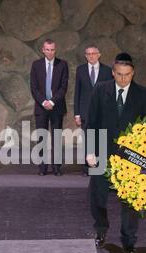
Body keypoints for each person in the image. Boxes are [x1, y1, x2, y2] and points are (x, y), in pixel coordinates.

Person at [86, 53, 146, 253]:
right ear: (113, 73)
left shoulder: (143, 94)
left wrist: (144, 156)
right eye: (120, 74)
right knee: (97, 196)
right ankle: (100, 230)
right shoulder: (100, 89)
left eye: (128, 75)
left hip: (131, 155)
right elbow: (92, 122)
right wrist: (90, 151)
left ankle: (129, 241)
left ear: (133, 73)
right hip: (102, 151)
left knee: (131, 201)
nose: (123, 79)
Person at [30, 39, 69, 176]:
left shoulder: (62, 65)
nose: (50, 52)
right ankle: (42, 167)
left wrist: (52, 102)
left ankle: (56, 167)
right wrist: (43, 102)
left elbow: (63, 87)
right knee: (42, 138)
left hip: (56, 107)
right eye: (47, 49)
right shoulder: (36, 65)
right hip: (41, 108)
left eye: (52, 49)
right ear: (43, 50)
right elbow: (34, 88)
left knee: (56, 138)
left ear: (55, 49)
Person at [74, 45, 113, 176]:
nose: (91, 56)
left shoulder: (107, 71)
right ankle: (87, 168)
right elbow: (77, 92)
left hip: (102, 111)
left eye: (93, 53)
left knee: (100, 139)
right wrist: (77, 113)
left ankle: (99, 166)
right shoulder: (80, 70)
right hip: (85, 112)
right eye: (88, 54)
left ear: (99, 55)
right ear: (85, 56)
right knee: (87, 140)